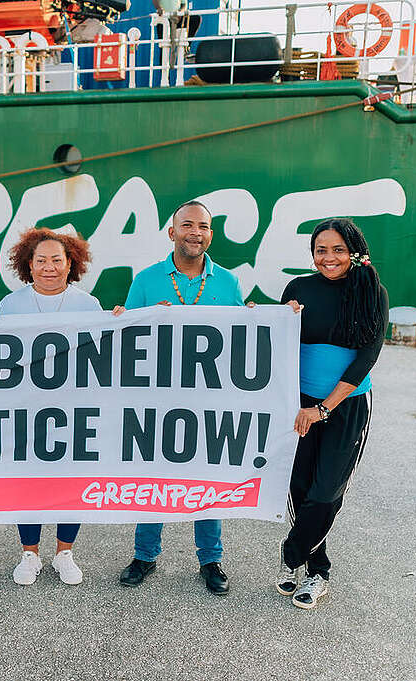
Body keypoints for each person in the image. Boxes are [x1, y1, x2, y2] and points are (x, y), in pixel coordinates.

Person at [117, 200, 247, 595]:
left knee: (206, 477)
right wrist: (126, 316)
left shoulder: (228, 283)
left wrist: (261, 319)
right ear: (171, 233)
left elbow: (243, 340)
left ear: (211, 234)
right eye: (187, 225)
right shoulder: (147, 279)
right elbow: (125, 337)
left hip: (209, 398)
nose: (195, 232)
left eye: (203, 226)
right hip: (156, 398)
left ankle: (210, 560)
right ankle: (145, 555)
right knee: (154, 474)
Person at [0, 227, 106, 586]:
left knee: (71, 479)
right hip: (28, 410)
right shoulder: (11, 304)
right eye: (41, 261)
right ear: (29, 265)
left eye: (56, 260)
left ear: (71, 264)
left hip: (73, 410)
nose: (48, 267)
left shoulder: (88, 305)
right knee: (29, 480)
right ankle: (30, 553)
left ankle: (64, 552)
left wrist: (119, 320)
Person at [277, 217, 387, 609]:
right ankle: (316, 570)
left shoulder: (372, 292)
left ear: (354, 252)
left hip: (346, 405)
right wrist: (271, 316)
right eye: (321, 250)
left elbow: (365, 360)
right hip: (298, 405)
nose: (328, 258)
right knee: (300, 488)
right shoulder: (299, 289)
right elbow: (272, 342)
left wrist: (323, 409)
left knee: (326, 492)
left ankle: (295, 551)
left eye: (338, 249)